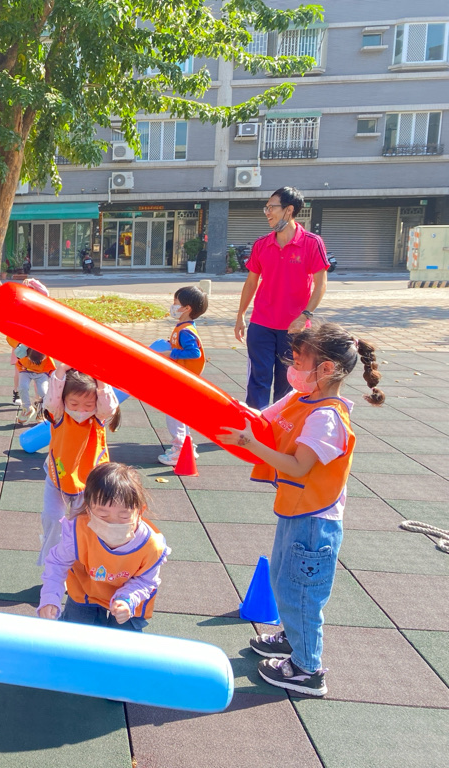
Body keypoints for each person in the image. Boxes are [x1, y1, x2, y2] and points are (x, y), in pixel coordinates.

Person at [218, 323, 384, 697]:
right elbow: (261, 418)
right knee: (282, 580)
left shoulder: (326, 418)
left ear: (326, 368)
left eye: (298, 361)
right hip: (297, 512)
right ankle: (293, 638)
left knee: (302, 594)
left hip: (315, 522)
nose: (292, 368)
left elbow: (298, 466)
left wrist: (249, 443)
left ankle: (308, 669)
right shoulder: (300, 397)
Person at [38, 463, 168, 631]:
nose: (112, 523)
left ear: (140, 511)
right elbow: (57, 563)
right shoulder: (78, 531)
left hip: (129, 599)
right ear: (89, 509)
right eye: (102, 515)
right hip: (87, 591)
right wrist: (50, 597)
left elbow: (145, 580)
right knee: (76, 634)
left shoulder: (151, 545)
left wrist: (127, 600)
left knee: (123, 640)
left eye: (124, 516)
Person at [235, 186, 330, 410]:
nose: (267, 212)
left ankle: (280, 425)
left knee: (287, 382)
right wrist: (240, 316)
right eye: (266, 208)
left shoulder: (312, 242)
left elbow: (321, 284)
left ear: (289, 210)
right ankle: (255, 424)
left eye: (272, 207)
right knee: (258, 380)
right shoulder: (261, 244)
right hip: (261, 323)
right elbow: (251, 282)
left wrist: (305, 315)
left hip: (294, 328)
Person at [39, 362, 121, 565]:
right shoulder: (60, 414)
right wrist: (60, 371)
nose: (81, 411)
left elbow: (109, 406)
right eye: (74, 404)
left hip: (88, 482)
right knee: (52, 517)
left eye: (88, 405)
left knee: (82, 524)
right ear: (64, 400)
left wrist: (100, 379)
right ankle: (51, 559)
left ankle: (79, 561)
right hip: (58, 477)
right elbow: (51, 399)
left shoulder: (98, 418)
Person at [159, 285, 209, 466]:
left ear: (187, 308)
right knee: (180, 414)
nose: (172, 306)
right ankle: (187, 446)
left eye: (176, 303)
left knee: (175, 415)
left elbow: (194, 353)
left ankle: (180, 450)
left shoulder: (186, 330)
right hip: (182, 377)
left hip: (183, 378)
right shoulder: (183, 327)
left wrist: (171, 353)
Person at [14, 345, 55, 424]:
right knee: (22, 387)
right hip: (26, 370)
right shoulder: (23, 349)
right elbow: (17, 352)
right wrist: (25, 345)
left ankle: (41, 410)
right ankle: (27, 408)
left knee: (43, 392)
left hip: (42, 372)